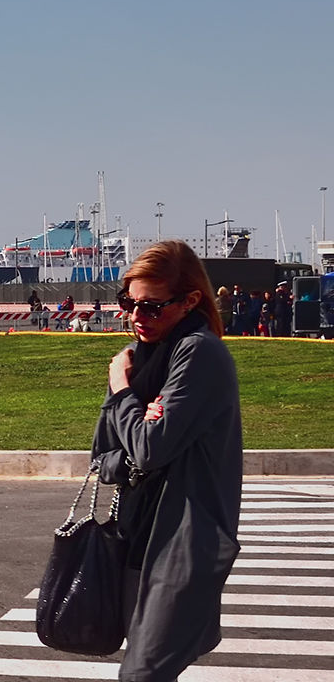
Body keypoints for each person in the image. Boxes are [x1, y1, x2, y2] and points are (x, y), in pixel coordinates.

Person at [95, 240, 242, 682]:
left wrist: (122, 393)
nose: (137, 316)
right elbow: (103, 457)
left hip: (183, 541)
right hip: (137, 538)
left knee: (142, 674)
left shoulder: (199, 352)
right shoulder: (139, 358)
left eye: (153, 307)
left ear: (191, 300)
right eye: (129, 303)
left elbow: (148, 448)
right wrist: (140, 435)